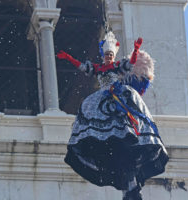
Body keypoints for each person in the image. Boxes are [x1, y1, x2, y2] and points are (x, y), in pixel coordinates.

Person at [57, 31, 168, 200]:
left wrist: (136, 49)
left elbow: (131, 63)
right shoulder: (98, 68)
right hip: (104, 97)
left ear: (113, 55)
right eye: (106, 55)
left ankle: (128, 136)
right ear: (102, 56)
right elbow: (81, 66)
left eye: (111, 54)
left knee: (124, 118)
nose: (109, 57)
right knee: (94, 112)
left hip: (118, 94)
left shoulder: (117, 67)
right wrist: (68, 58)